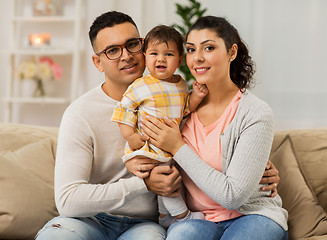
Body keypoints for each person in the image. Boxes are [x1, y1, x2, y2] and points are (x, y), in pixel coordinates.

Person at [35, 11, 280, 240]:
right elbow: (67, 200)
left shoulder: (177, 100)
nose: (126, 55)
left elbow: (218, 141)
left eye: (133, 45)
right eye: (112, 51)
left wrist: (255, 166)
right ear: (97, 62)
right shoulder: (80, 113)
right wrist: (143, 183)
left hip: (146, 224)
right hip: (89, 220)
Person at [137, 16, 289, 239]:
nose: (197, 58)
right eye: (190, 49)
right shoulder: (180, 107)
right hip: (197, 219)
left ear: (232, 52)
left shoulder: (255, 112)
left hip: (253, 216)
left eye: (208, 48)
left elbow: (233, 197)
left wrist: (177, 147)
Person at [111, 25, 207, 227]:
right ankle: (183, 217)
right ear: (145, 56)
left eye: (169, 54)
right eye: (154, 53)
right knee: (167, 177)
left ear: (179, 60)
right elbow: (123, 111)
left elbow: (185, 109)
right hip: (150, 146)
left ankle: (164, 216)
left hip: (170, 146)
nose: (160, 59)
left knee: (172, 176)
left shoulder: (181, 84)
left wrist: (196, 97)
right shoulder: (140, 85)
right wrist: (130, 137)